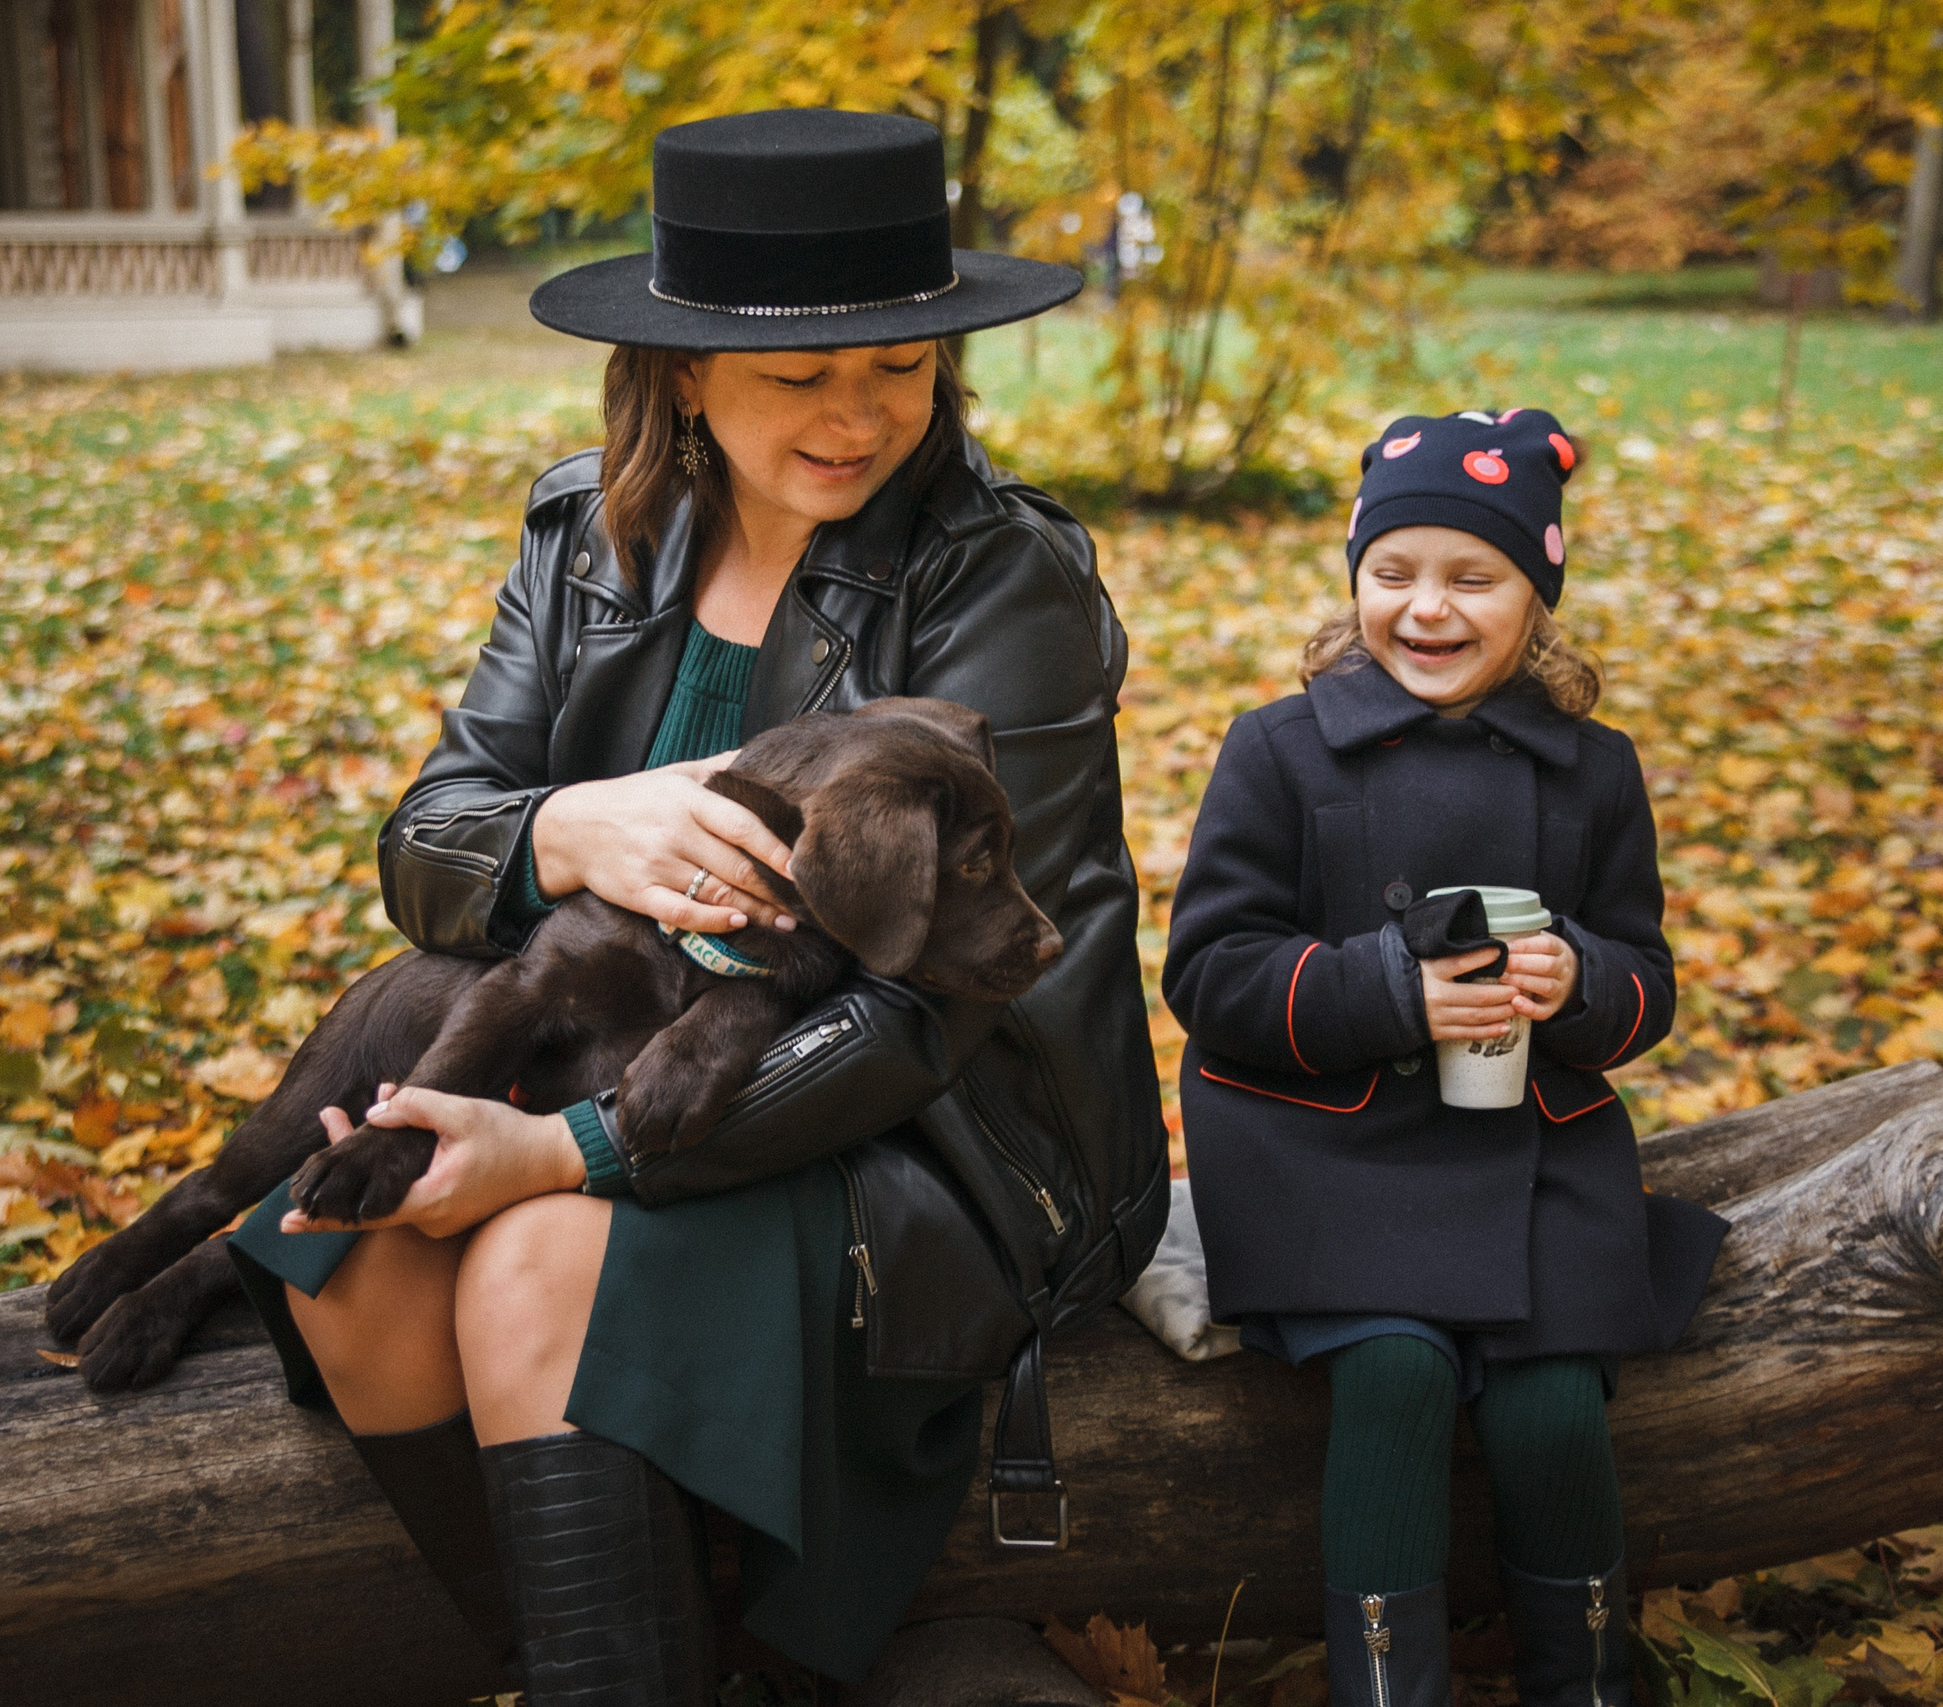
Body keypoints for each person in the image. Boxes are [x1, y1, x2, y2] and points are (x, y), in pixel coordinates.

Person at [220, 109, 1166, 1702]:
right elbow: (430, 841)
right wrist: (568, 828)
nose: (860, 415)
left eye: (905, 365)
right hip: (628, 1054)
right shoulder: (586, 534)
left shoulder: (1002, 578)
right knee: (354, 1260)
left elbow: (932, 1010)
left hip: (946, 1131)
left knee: (530, 1262)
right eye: (800, 376)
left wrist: (567, 1155)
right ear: (680, 376)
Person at [1161, 409, 1729, 1707]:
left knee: (1552, 1404)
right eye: (1394, 573)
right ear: (1355, 581)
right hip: (1327, 1152)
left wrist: (1579, 982)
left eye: (1473, 578)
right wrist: (1388, 991)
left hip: (1533, 1158)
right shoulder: (1280, 750)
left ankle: (1587, 1682)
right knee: (1396, 1371)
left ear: (1537, 599)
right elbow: (1211, 973)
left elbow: (1646, 983)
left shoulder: (1594, 772)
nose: (1427, 609)